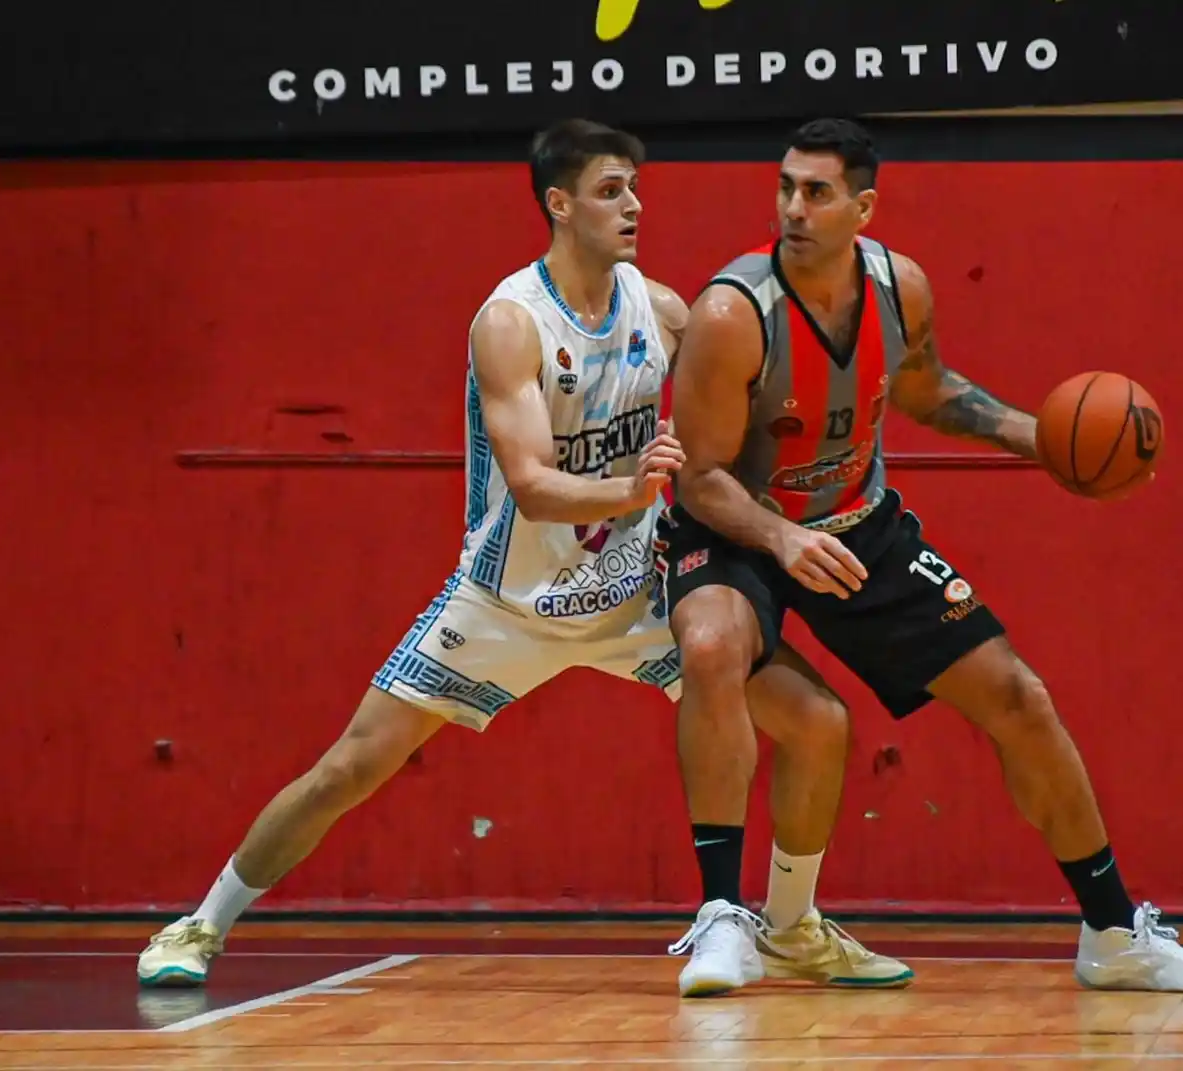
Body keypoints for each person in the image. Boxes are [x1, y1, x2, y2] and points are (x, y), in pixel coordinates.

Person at [136, 118, 910, 998]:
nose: (634, 205)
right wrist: (631, 490)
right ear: (559, 204)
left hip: (637, 590)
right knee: (349, 766)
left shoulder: (660, 309)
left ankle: (790, 924)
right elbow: (535, 485)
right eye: (611, 190)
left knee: (815, 721)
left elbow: (743, 408)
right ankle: (201, 922)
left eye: (635, 188)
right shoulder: (511, 322)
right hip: (507, 599)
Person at [655, 117, 1183, 993]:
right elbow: (699, 477)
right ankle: (719, 919)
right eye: (785, 187)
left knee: (1019, 696)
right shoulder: (731, 314)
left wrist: (1040, 439)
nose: (794, 208)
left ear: (863, 207)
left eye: (816, 191)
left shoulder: (901, 289)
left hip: (857, 522)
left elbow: (927, 390)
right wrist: (782, 536)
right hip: (740, 530)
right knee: (710, 646)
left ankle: (1114, 932)